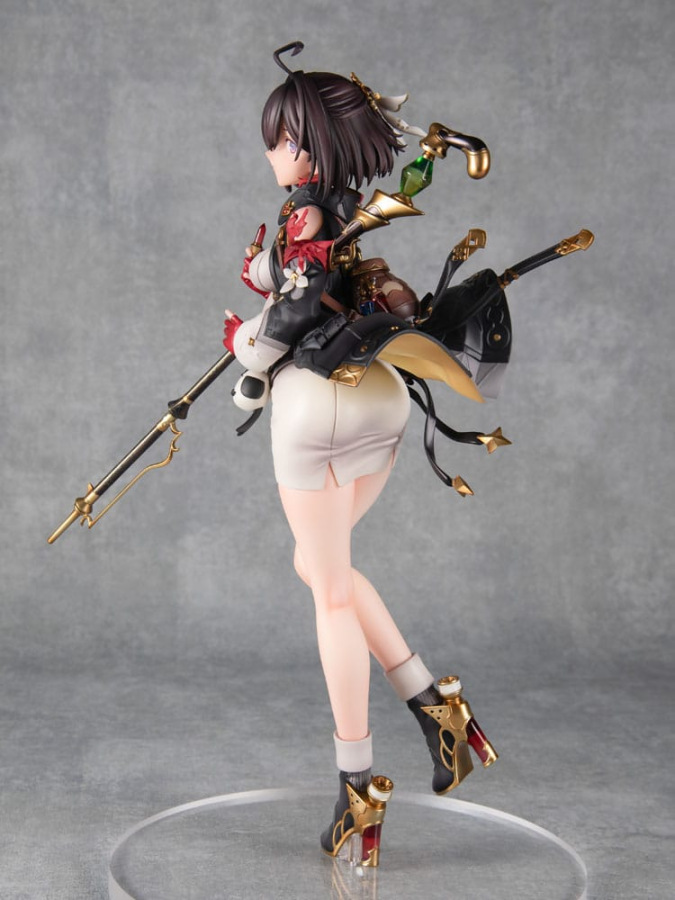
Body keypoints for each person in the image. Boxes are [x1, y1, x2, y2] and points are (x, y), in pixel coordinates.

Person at [222, 42, 497, 868]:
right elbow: (340, 288)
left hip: (316, 407)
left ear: (308, 145)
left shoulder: (308, 215)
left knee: (330, 590)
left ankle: (357, 786)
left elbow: (295, 309)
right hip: (380, 397)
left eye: (279, 139)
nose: (272, 153)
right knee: (320, 567)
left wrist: (246, 351)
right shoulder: (352, 208)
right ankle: (439, 711)